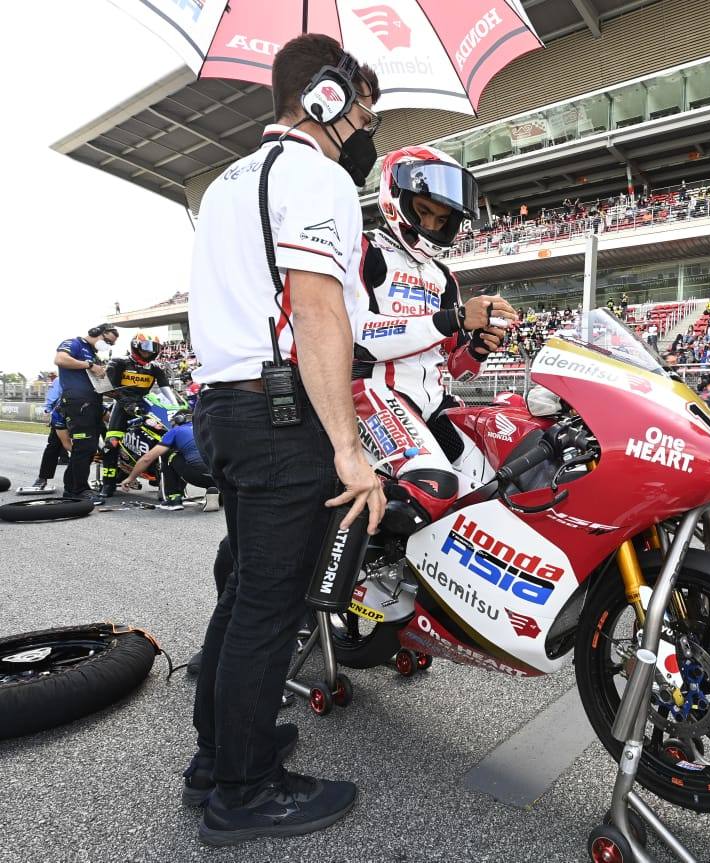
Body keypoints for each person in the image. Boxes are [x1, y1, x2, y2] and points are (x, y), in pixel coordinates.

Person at [184, 34, 387, 845]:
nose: (369, 130)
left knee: (242, 596)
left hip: (224, 407)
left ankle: (220, 756)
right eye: (365, 111)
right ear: (329, 100)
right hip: (279, 416)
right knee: (270, 607)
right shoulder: (314, 175)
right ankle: (244, 791)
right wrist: (348, 444)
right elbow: (315, 309)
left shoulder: (230, 180)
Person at [98, 333, 178, 502]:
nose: (149, 352)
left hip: (144, 404)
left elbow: (166, 389)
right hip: (121, 404)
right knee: (111, 444)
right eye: (146, 347)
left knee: (161, 435)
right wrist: (126, 403)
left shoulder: (155, 368)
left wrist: (176, 407)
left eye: (153, 348)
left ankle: (157, 473)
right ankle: (108, 484)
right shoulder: (119, 362)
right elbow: (106, 387)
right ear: (136, 346)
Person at [53, 324, 118, 500]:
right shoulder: (74, 343)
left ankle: (73, 488)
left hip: (93, 402)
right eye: (107, 341)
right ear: (97, 333)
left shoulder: (94, 354)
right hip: (77, 402)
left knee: (88, 449)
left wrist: (117, 391)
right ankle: (78, 490)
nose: (108, 345)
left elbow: (98, 383)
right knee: (83, 447)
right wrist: (89, 365)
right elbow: (60, 360)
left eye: (111, 344)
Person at [119, 410, 216, 510]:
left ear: (178, 420)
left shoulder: (175, 431)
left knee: (167, 453)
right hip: (223, 478)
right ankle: (219, 493)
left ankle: (173, 499)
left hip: (198, 476)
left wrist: (130, 478)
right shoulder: (208, 429)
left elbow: (147, 459)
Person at [28, 378, 70, 492]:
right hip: (63, 414)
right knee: (53, 446)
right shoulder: (61, 379)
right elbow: (53, 396)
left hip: (87, 414)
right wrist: (48, 411)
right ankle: (42, 478)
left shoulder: (91, 374)